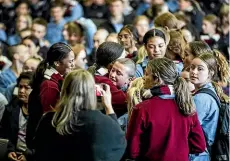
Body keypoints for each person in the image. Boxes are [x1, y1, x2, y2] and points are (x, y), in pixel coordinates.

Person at [33, 69, 126, 161]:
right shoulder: (102, 123)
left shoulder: (49, 120)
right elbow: (118, 143)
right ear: (91, 92)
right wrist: (108, 107)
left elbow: (38, 151)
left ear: (64, 91)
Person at [126, 57, 206, 161]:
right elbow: (199, 145)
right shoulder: (187, 105)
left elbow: (132, 150)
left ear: (156, 79)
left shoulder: (142, 109)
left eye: (146, 74)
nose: (143, 78)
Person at [26, 42, 75, 149]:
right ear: (57, 63)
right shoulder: (49, 85)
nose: (73, 65)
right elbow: (49, 118)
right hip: (42, 141)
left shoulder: (55, 79)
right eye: (70, 61)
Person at [189, 52, 229, 161]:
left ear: (210, 73)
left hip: (197, 155)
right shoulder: (210, 90)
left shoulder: (201, 98)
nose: (193, 72)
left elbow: (188, 127)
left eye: (200, 69)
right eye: (192, 67)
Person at [1, 72, 33, 161]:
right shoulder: (11, 108)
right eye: (20, 86)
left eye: (27, 88)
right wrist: (9, 151)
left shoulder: (40, 113)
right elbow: (4, 133)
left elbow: (42, 142)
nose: (21, 91)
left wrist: (29, 155)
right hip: (13, 154)